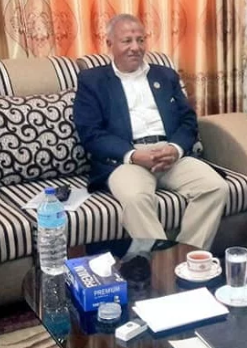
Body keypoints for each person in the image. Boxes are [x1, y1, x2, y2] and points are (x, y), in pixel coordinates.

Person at [74, 14, 228, 276]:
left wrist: (175, 149)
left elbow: (188, 121)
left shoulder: (165, 75)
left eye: (140, 40)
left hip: (170, 155)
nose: (135, 47)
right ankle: (163, 268)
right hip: (126, 160)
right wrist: (133, 155)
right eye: (127, 40)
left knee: (215, 187)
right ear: (110, 43)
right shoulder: (93, 80)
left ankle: (186, 262)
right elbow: (91, 133)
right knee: (136, 198)